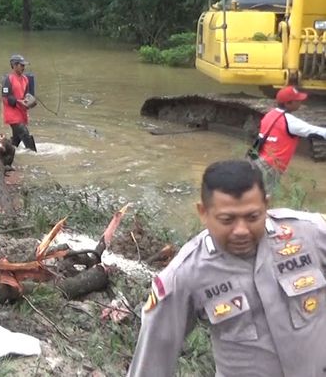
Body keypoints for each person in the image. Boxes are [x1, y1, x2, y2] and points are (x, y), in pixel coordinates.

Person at [128, 159, 326, 377]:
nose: (241, 230)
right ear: (203, 212)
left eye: (252, 217)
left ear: (266, 205)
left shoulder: (310, 234)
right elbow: (151, 362)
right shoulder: (185, 274)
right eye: (227, 219)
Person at [251, 85, 326, 190]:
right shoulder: (289, 121)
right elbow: (314, 131)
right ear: (288, 103)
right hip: (271, 166)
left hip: (259, 160)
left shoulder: (271, 114)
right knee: (265, 196)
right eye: (297, 100)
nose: (300, 102)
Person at [2, 54, 36, 152]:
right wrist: (18, 101)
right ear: (15, 65)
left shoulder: (25, 79)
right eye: (22, 65)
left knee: (16, 140)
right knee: (25, 133)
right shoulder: (8, 79)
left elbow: (27, 95)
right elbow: (5, 98)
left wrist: (29, 101)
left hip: (22, 113)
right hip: (12, 114)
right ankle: (34, 154)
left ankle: (6, 151)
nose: (23, 68)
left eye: (24, 66)